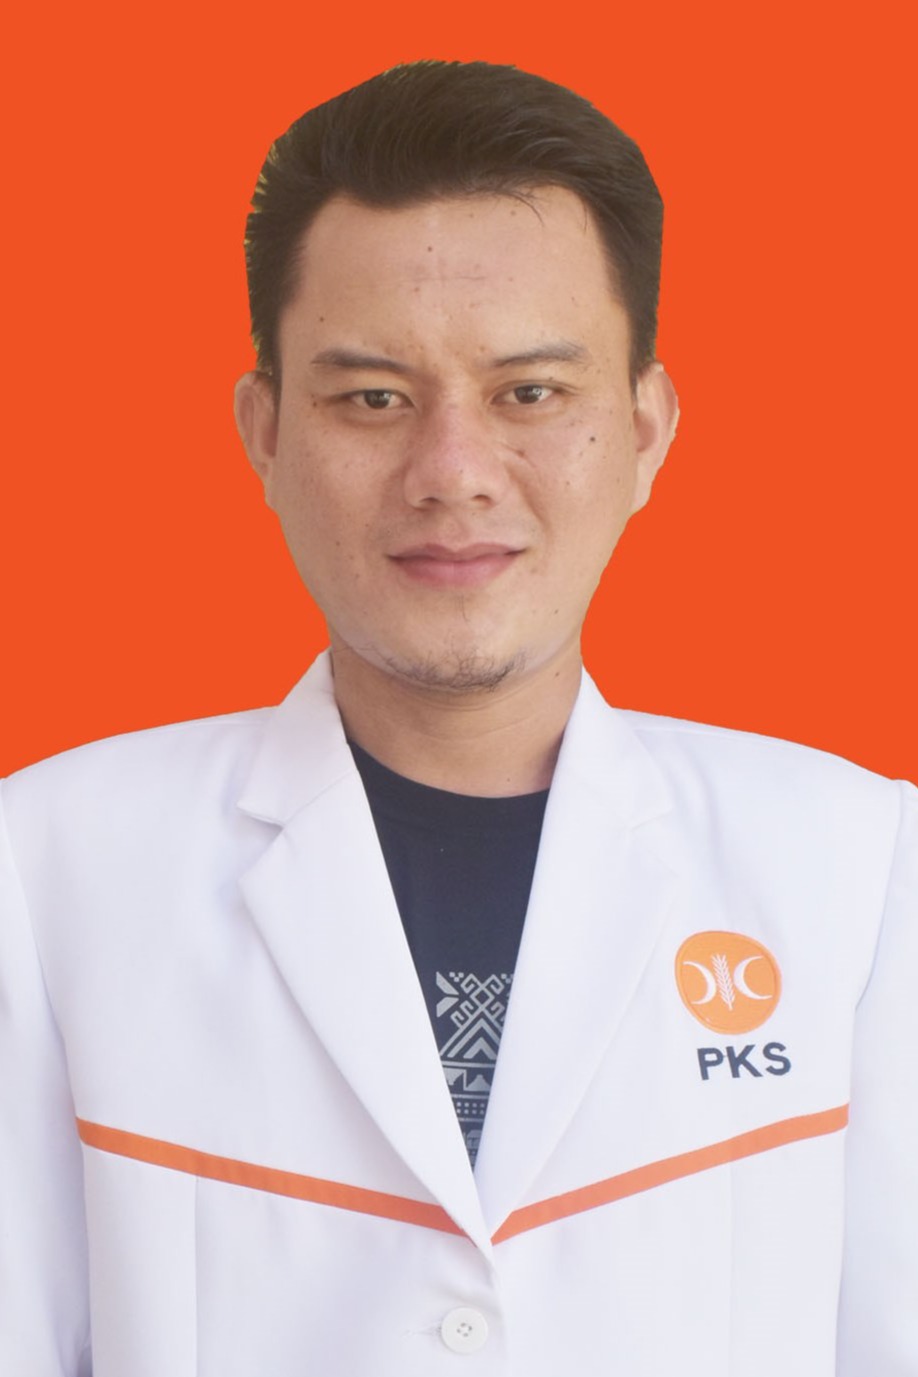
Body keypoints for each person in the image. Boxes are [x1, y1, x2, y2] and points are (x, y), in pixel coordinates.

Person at [0, 59, 915, 1377]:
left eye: (529, 393)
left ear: (645, 430)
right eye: (372, 397)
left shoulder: (857, 869)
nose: (452, 473)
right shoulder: (48, 871)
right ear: (265, 432)